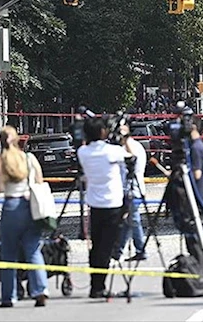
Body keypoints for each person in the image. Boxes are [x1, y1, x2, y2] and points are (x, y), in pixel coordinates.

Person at [0, 126, 48, 308]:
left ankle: (9, 296)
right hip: (29, 206)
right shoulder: (28, 158)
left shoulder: (1, 160)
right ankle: (40, 290)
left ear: (0, 141)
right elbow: (39, 180)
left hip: (11, 206)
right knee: (33, 250)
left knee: (8, 253)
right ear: (17, 139)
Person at [76, 116, 129, 299]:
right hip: (113, 204)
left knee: (97, 245)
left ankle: (95, 284)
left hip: (95, 204)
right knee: (106, 247)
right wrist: (124, 137)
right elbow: (130, 156)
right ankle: (99, 286)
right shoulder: (112, 151)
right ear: (102, 132)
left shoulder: (83, 152)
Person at [113, 125, 148, 262]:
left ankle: (140, 249)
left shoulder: (133, 147)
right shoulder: (127, 147)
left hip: (133, 189)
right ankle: (118, 250)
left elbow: (132, 159)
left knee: (133, 220)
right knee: (126, 221)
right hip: (127, 188)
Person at [189, 119, 203, 201]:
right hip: (198, 194)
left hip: (195, 195)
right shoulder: (199, 145)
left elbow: (197, 174)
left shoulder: (195, 148)